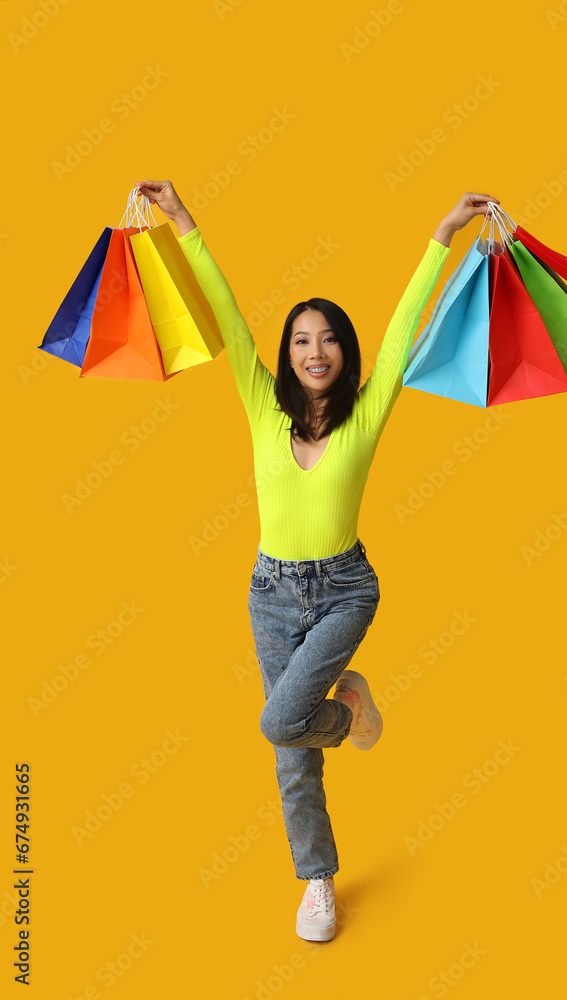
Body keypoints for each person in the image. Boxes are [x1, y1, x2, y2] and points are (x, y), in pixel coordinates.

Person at [135, 180, 499, 942]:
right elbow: (228, 320)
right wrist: (181, 222)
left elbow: (405, 332)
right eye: (301, 339)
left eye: (327, 338)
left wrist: (443, 234)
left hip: (342, 591)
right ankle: (317, 881)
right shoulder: (262, 407)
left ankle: (348, 712)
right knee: (293, 752)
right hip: (270, 593)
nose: (314, 351)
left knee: (280, 723)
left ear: (344, 352)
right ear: (286, 354)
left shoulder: (366, 415)